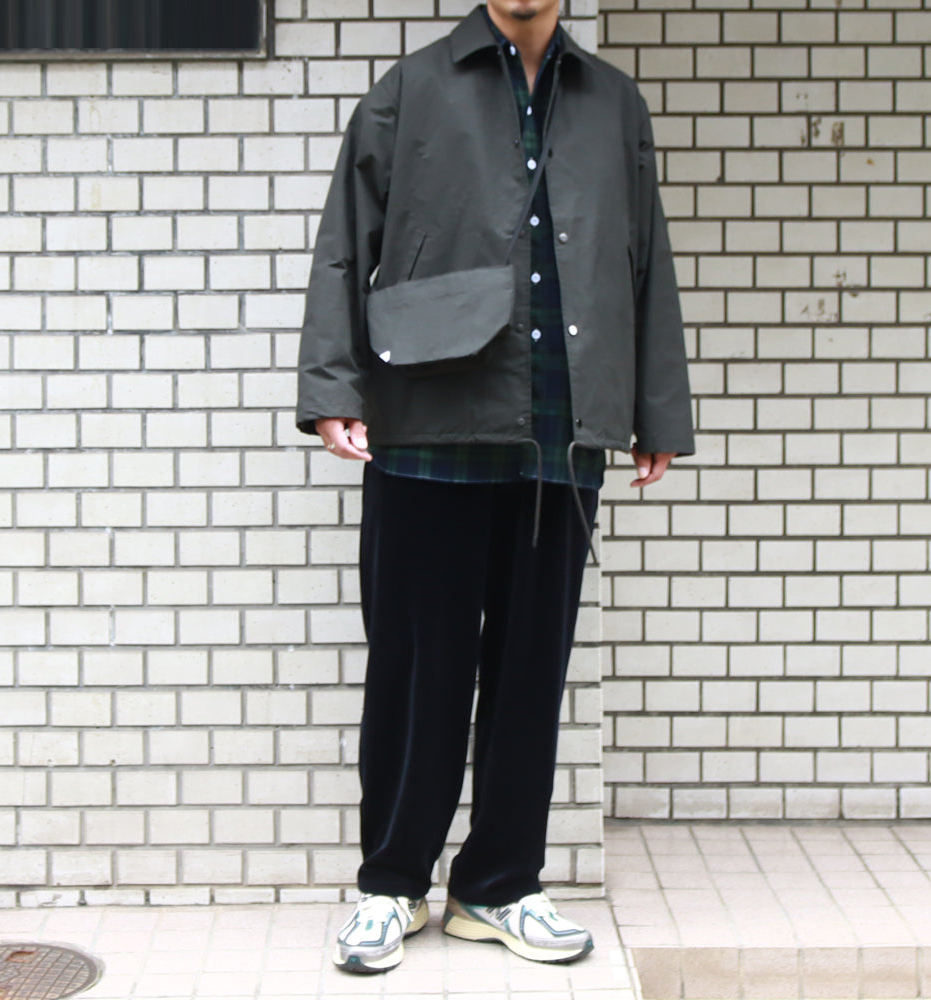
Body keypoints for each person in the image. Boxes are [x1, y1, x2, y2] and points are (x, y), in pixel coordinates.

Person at [296, 0, 694, 975]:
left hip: (561, 434)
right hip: (428, 426)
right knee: (415, 670)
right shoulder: (410, 91)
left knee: (529, 675)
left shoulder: (614, 105)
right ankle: (392, 883)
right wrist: (332, 389)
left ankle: (499, 885)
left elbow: (645, 255)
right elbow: (346, 241)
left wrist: (656, 410)